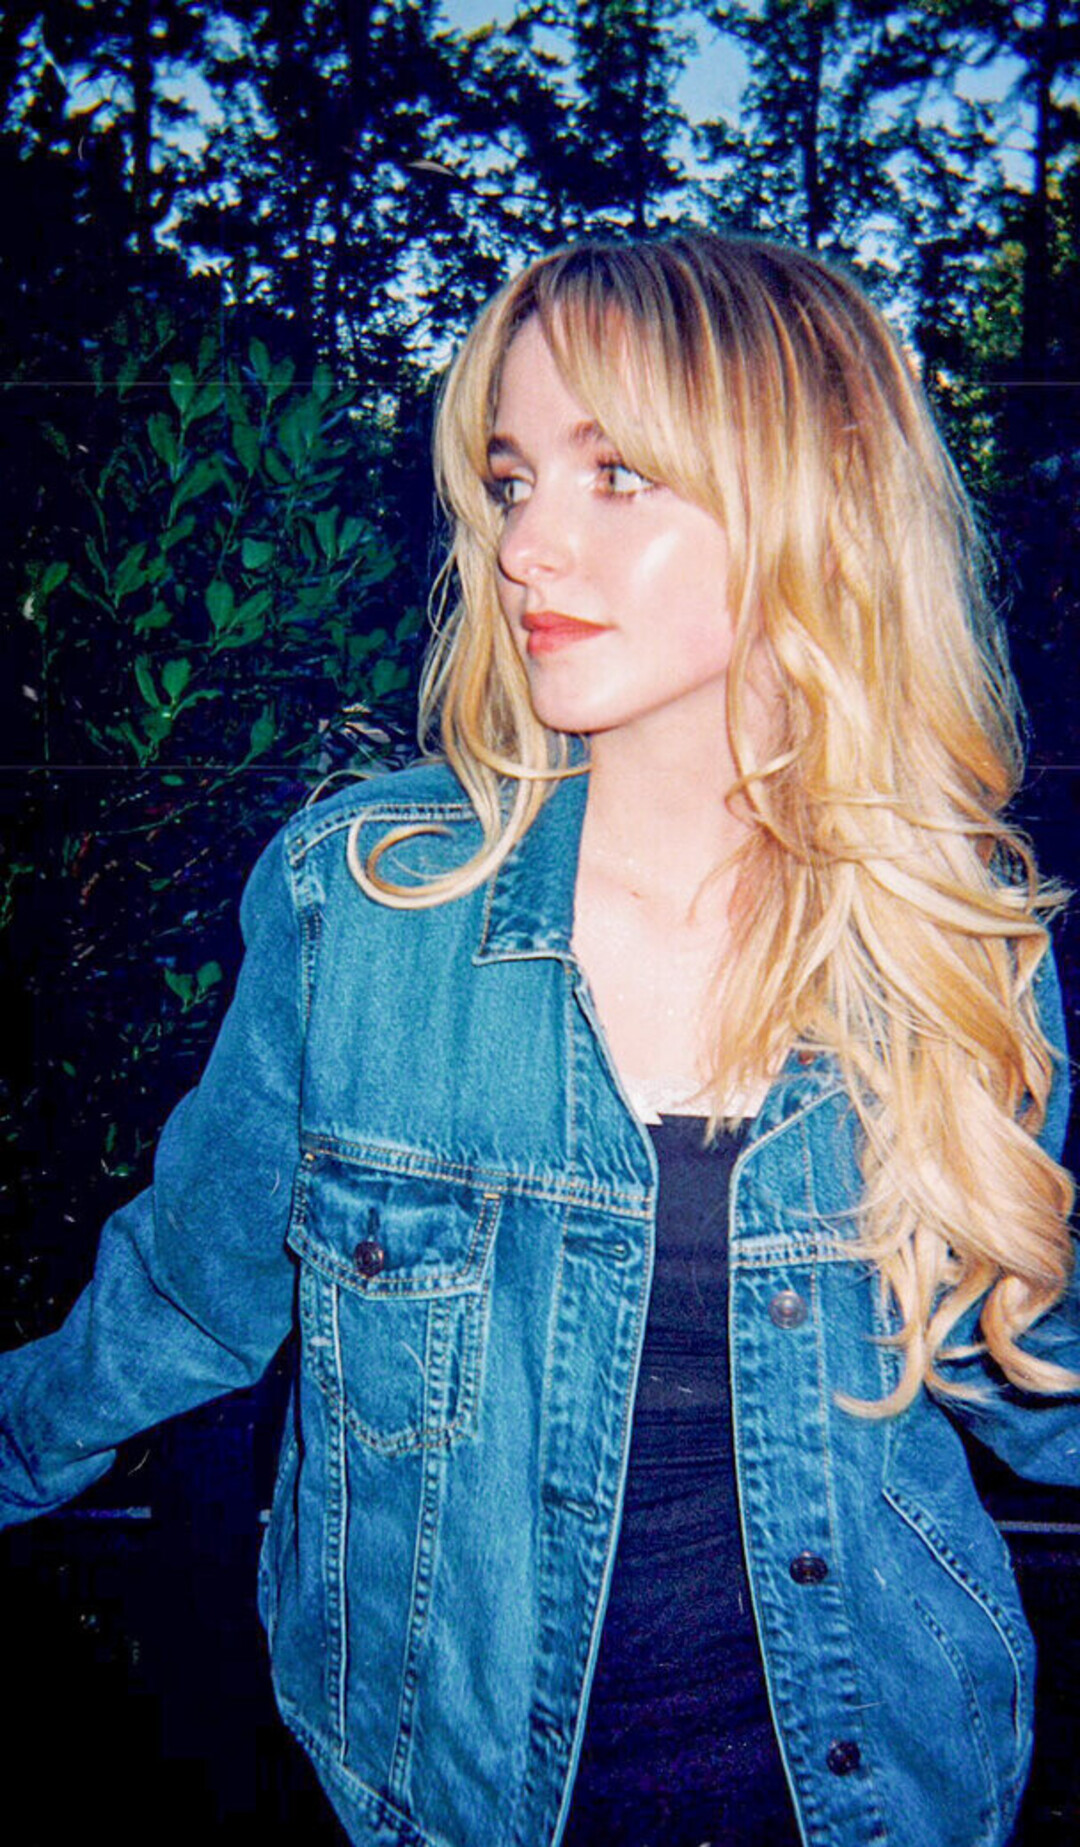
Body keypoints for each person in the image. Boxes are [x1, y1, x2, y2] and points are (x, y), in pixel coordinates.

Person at [0, 233, 1077, 1847]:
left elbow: (1027, 1368)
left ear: (818, 499)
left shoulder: (950, 939)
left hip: (886, 1797)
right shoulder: (366, 902)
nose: (525, 546)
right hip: (429, 1803)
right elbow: (183, 1295)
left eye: (616, 474)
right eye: (510, 482)